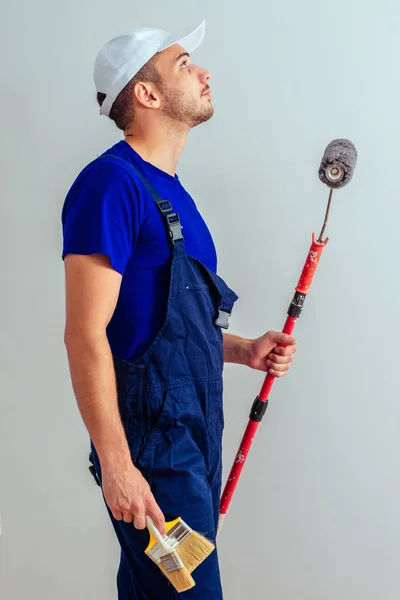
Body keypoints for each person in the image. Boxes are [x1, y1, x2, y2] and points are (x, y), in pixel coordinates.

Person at [61, 19, 297, 599]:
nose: (204, 71)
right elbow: (85, 335)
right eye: (185, 65)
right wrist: (117, 464)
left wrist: (242, 350)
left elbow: (162, 326)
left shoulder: (174, 194)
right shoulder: (111, 185)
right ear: (146, 93)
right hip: (152, 450)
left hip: (193, 437)